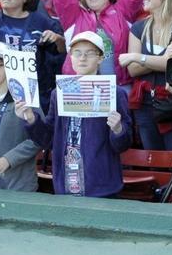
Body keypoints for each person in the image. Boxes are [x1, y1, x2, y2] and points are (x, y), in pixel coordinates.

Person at [17, 31, 131, 197]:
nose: (82, 58)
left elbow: (123, 144)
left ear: (100, 58)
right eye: (77, 53)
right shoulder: (59, 92)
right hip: (65, 183)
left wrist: (118, 129)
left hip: (102, 185)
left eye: (89, 53)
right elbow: (48, 139)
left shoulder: (115, 92)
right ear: (70, 56)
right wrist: (31, 119)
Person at [118, 0, 172, 151]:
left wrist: (138, 57)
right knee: (152, 158)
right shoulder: (138, 27)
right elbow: (133, 70)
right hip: (144, 105)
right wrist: (163, 60)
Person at [0, 42, 40, 191]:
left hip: (19, 186)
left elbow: (41, 138)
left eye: (1, 65)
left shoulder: (27, 97)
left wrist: (10, 159)